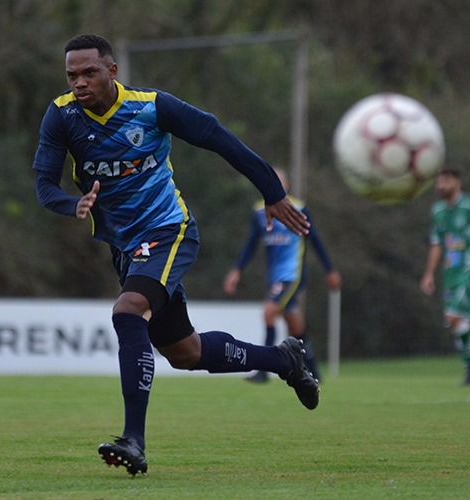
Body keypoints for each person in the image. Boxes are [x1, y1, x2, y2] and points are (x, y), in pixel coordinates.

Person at [32, 33, 319, 476]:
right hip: (126, 247)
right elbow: (45, 185)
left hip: (170, 231)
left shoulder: (151, 107)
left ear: (112, 71)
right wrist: (73, 204)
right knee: (185, 353)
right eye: (72, 75)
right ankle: (283, 360)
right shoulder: (62, 116)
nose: (80, 83)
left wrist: (272, 191)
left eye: (89, 72)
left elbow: (217, 137)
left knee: (128, 313)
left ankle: (134, 441)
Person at [223, 167, 341, 383]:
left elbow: (315, 240)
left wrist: (330, 270)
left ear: (286, 185)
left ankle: (263, 371)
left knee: (269, 313)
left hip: (292, 275)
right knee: (296, 326)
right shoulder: (259, 212)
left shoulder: (299, 208)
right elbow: (250, 245)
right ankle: (314, 373)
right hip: (274, 277)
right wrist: (236, 270)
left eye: (279, 181)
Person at [420, 166, 470, 386]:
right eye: (438, 181)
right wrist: (429, 274)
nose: (440, 185)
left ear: (457, 182)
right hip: (451, 272)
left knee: (454, 317)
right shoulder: (437, 211)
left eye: (445, 181)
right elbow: (437, 244)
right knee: (457, 323)